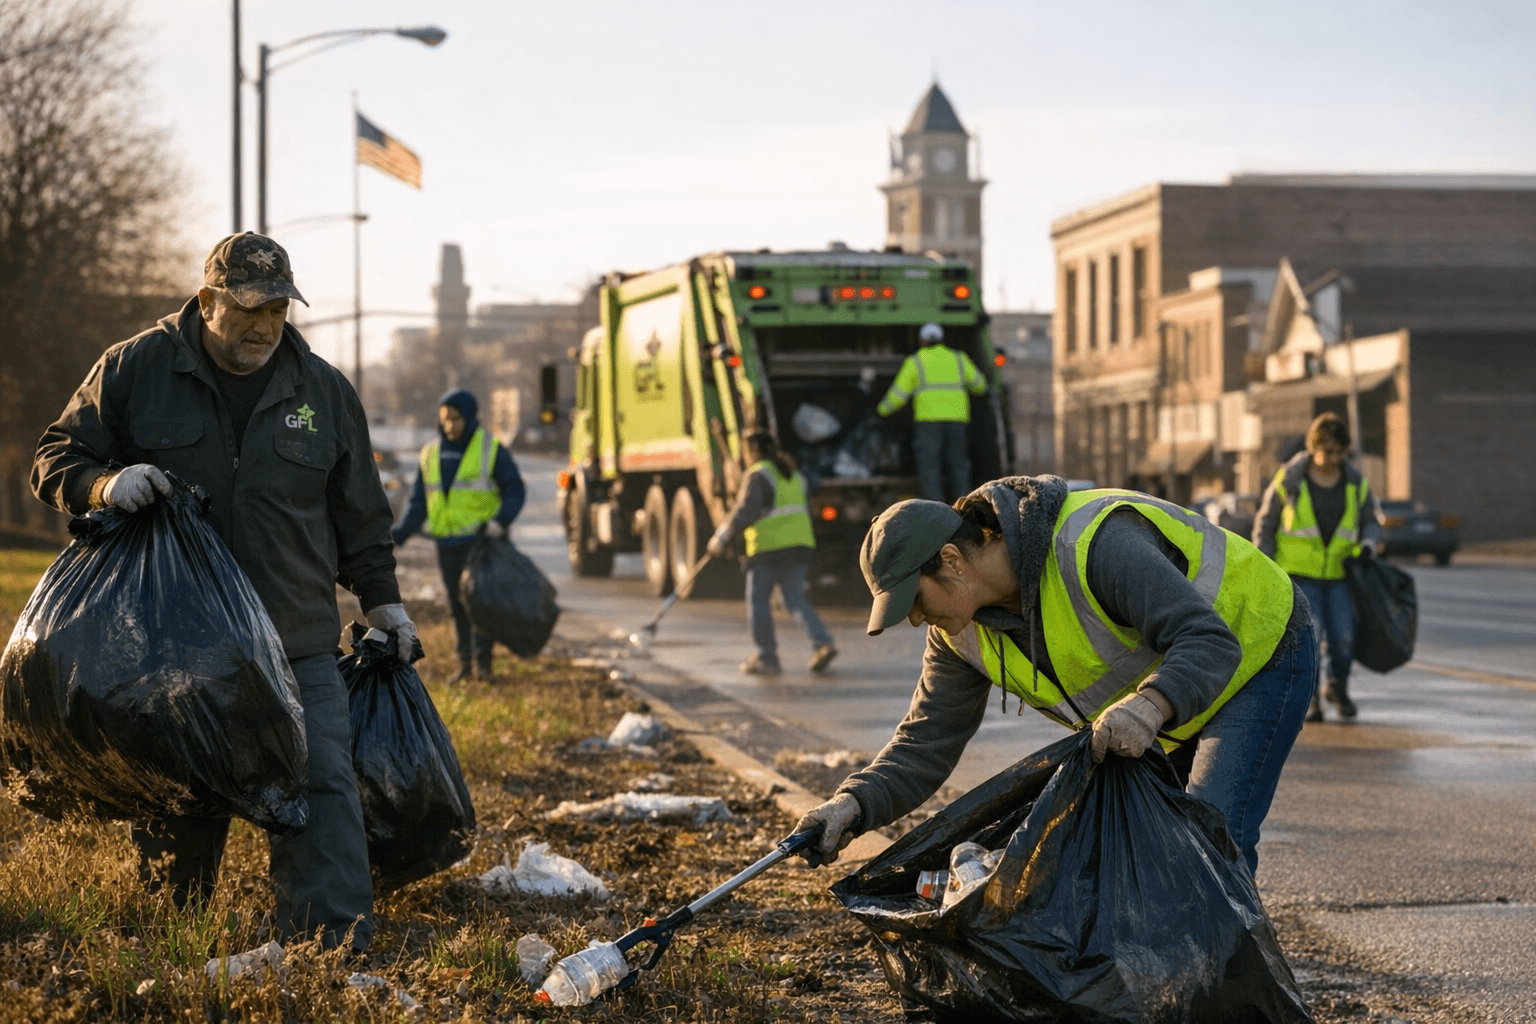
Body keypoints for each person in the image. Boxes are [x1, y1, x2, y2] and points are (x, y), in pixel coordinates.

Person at [32, 232, 412, 953]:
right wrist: (106, 483)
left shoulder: (324, 392)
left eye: (278, 308)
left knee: (322, 787)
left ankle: (328, 951)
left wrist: (383, 600)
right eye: (248, 308)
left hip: (296, 640)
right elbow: (55, 457)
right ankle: (168, 943)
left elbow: (360, 513)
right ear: (207, 302)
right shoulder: (135, 368)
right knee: (182, 799)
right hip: (172, 648)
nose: (265, 326)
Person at [794, 475, 1317, 877]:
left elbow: (1207, 640)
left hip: (1258, 648)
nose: (913, 618)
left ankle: (1222, 995)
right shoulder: (959, 632)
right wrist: (853, 803)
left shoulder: (1093, 546)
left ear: (951, 560)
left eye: (913, 599)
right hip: (1173, 695)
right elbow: (927, 740)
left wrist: (1151, 705)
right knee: (1142, 857)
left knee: (1210, 839)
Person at [1253, 412, 1382, 722]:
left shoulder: (1356, 485)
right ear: (1313, 448)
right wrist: (1263, 567)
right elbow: (1266, 524)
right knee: (1310, 637)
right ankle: (1309, 700)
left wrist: (1368, 544)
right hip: (1298, 576)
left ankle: (1337, 687)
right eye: (1328, 451)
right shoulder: (1290, 480)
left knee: (1344, 638)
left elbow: (1369, 523)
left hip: (1339, 576)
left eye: (1340, 451)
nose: (1334, 458)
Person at [391, 388, 526, 682]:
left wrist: (500, 522)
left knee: (479, 604)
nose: (450, 425)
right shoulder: (430, 453)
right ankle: (464, 664)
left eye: (456, 418)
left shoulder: (490, 449)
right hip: (447, 544)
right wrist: (399, 535)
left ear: (470, 417)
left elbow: (515, 489)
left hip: (480, 543)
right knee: (456, 603)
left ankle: (484, 666)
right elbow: (419, 503)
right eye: (445, 419)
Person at [705, 432, 837, 676]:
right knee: (794, 598)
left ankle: (767, 657)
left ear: (752, 452)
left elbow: (745, 511)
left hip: (769, 549)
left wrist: (722, 536)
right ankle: (823, 643)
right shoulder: (795, 475)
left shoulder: (757, 475)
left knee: (758, 602)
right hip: (800, 545)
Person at [876, 322, 989, 503]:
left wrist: (881, 411)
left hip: (928, 422)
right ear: (942, 339)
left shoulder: (916, 361)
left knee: (930, 467)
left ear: (922, 341)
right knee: (959, 464)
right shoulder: (959, 359)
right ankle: (966, 506)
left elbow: (898, 395)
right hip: (957, 421)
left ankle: (935, 506)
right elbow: (980, 386)